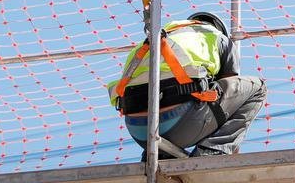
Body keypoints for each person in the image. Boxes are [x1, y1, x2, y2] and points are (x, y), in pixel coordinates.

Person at [108, 11, 266, 158]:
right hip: (184, 122)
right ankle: (212, 151)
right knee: (258, 88)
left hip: (140, 132)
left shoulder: (154, 39)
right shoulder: (217, 37)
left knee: (166, 96)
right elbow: (231, 88)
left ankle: (157, 158)